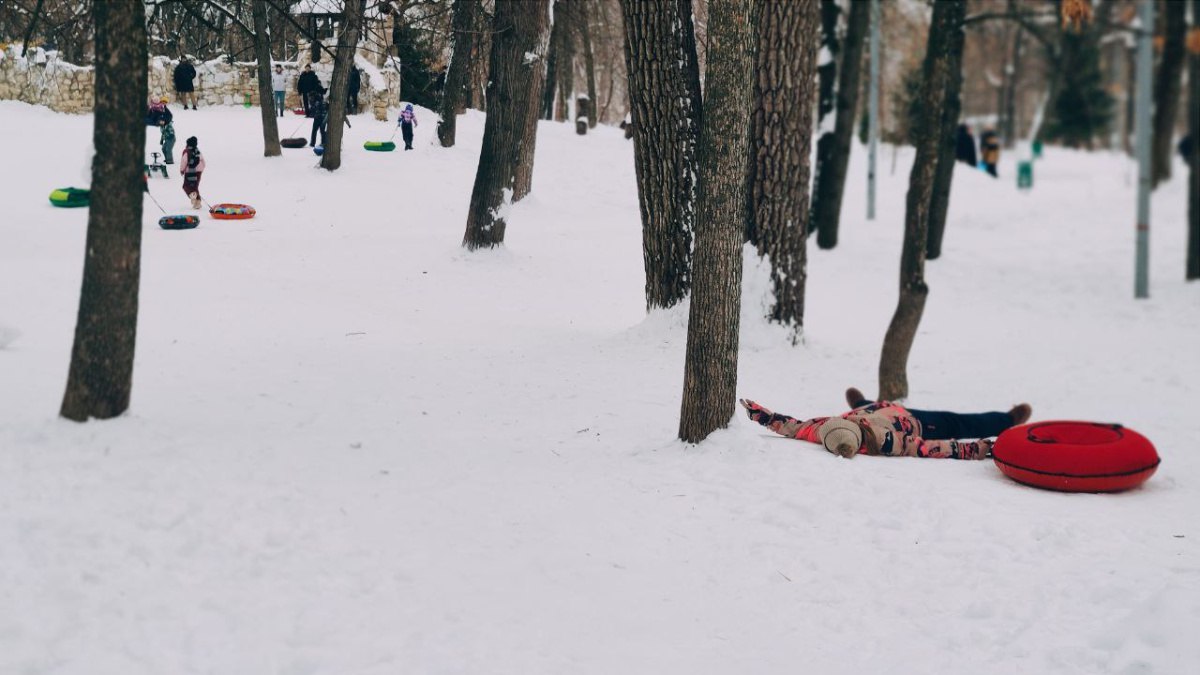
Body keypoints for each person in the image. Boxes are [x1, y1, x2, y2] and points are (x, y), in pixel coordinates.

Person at [740, 387, 1032, 460]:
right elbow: (928, 448)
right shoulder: (883, 441)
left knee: (866, 406)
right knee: (959, 422)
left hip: (875, 409)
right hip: (914, 422)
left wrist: (759, 414)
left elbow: (790, 426)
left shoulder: (820, 430)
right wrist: (976, 450)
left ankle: (861, 403)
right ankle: (1007, 419)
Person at [180, 136, 206, 210]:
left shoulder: (187, 152)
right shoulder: (198, 151)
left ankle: (192, 195)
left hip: (189, 171)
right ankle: (197, 203)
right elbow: (203, 161)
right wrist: (201, 169)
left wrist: (182, 170)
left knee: (186, 186)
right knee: (195, 187)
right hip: (198, 172)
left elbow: (183, 162)